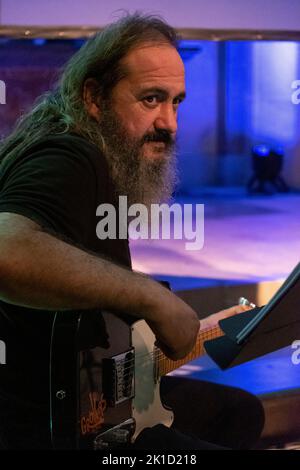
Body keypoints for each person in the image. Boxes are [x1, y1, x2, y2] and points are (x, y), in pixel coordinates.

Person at [0, 13, 264, 450]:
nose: (169, 123)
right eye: (150, 100)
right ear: (94, 97)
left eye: (175, 102)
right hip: (60, 430)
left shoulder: (89, 157)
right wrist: (154, 298)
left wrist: (199, 333)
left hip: (85, 399)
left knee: (238, 411)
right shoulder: (69, 156)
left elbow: (87, 349)